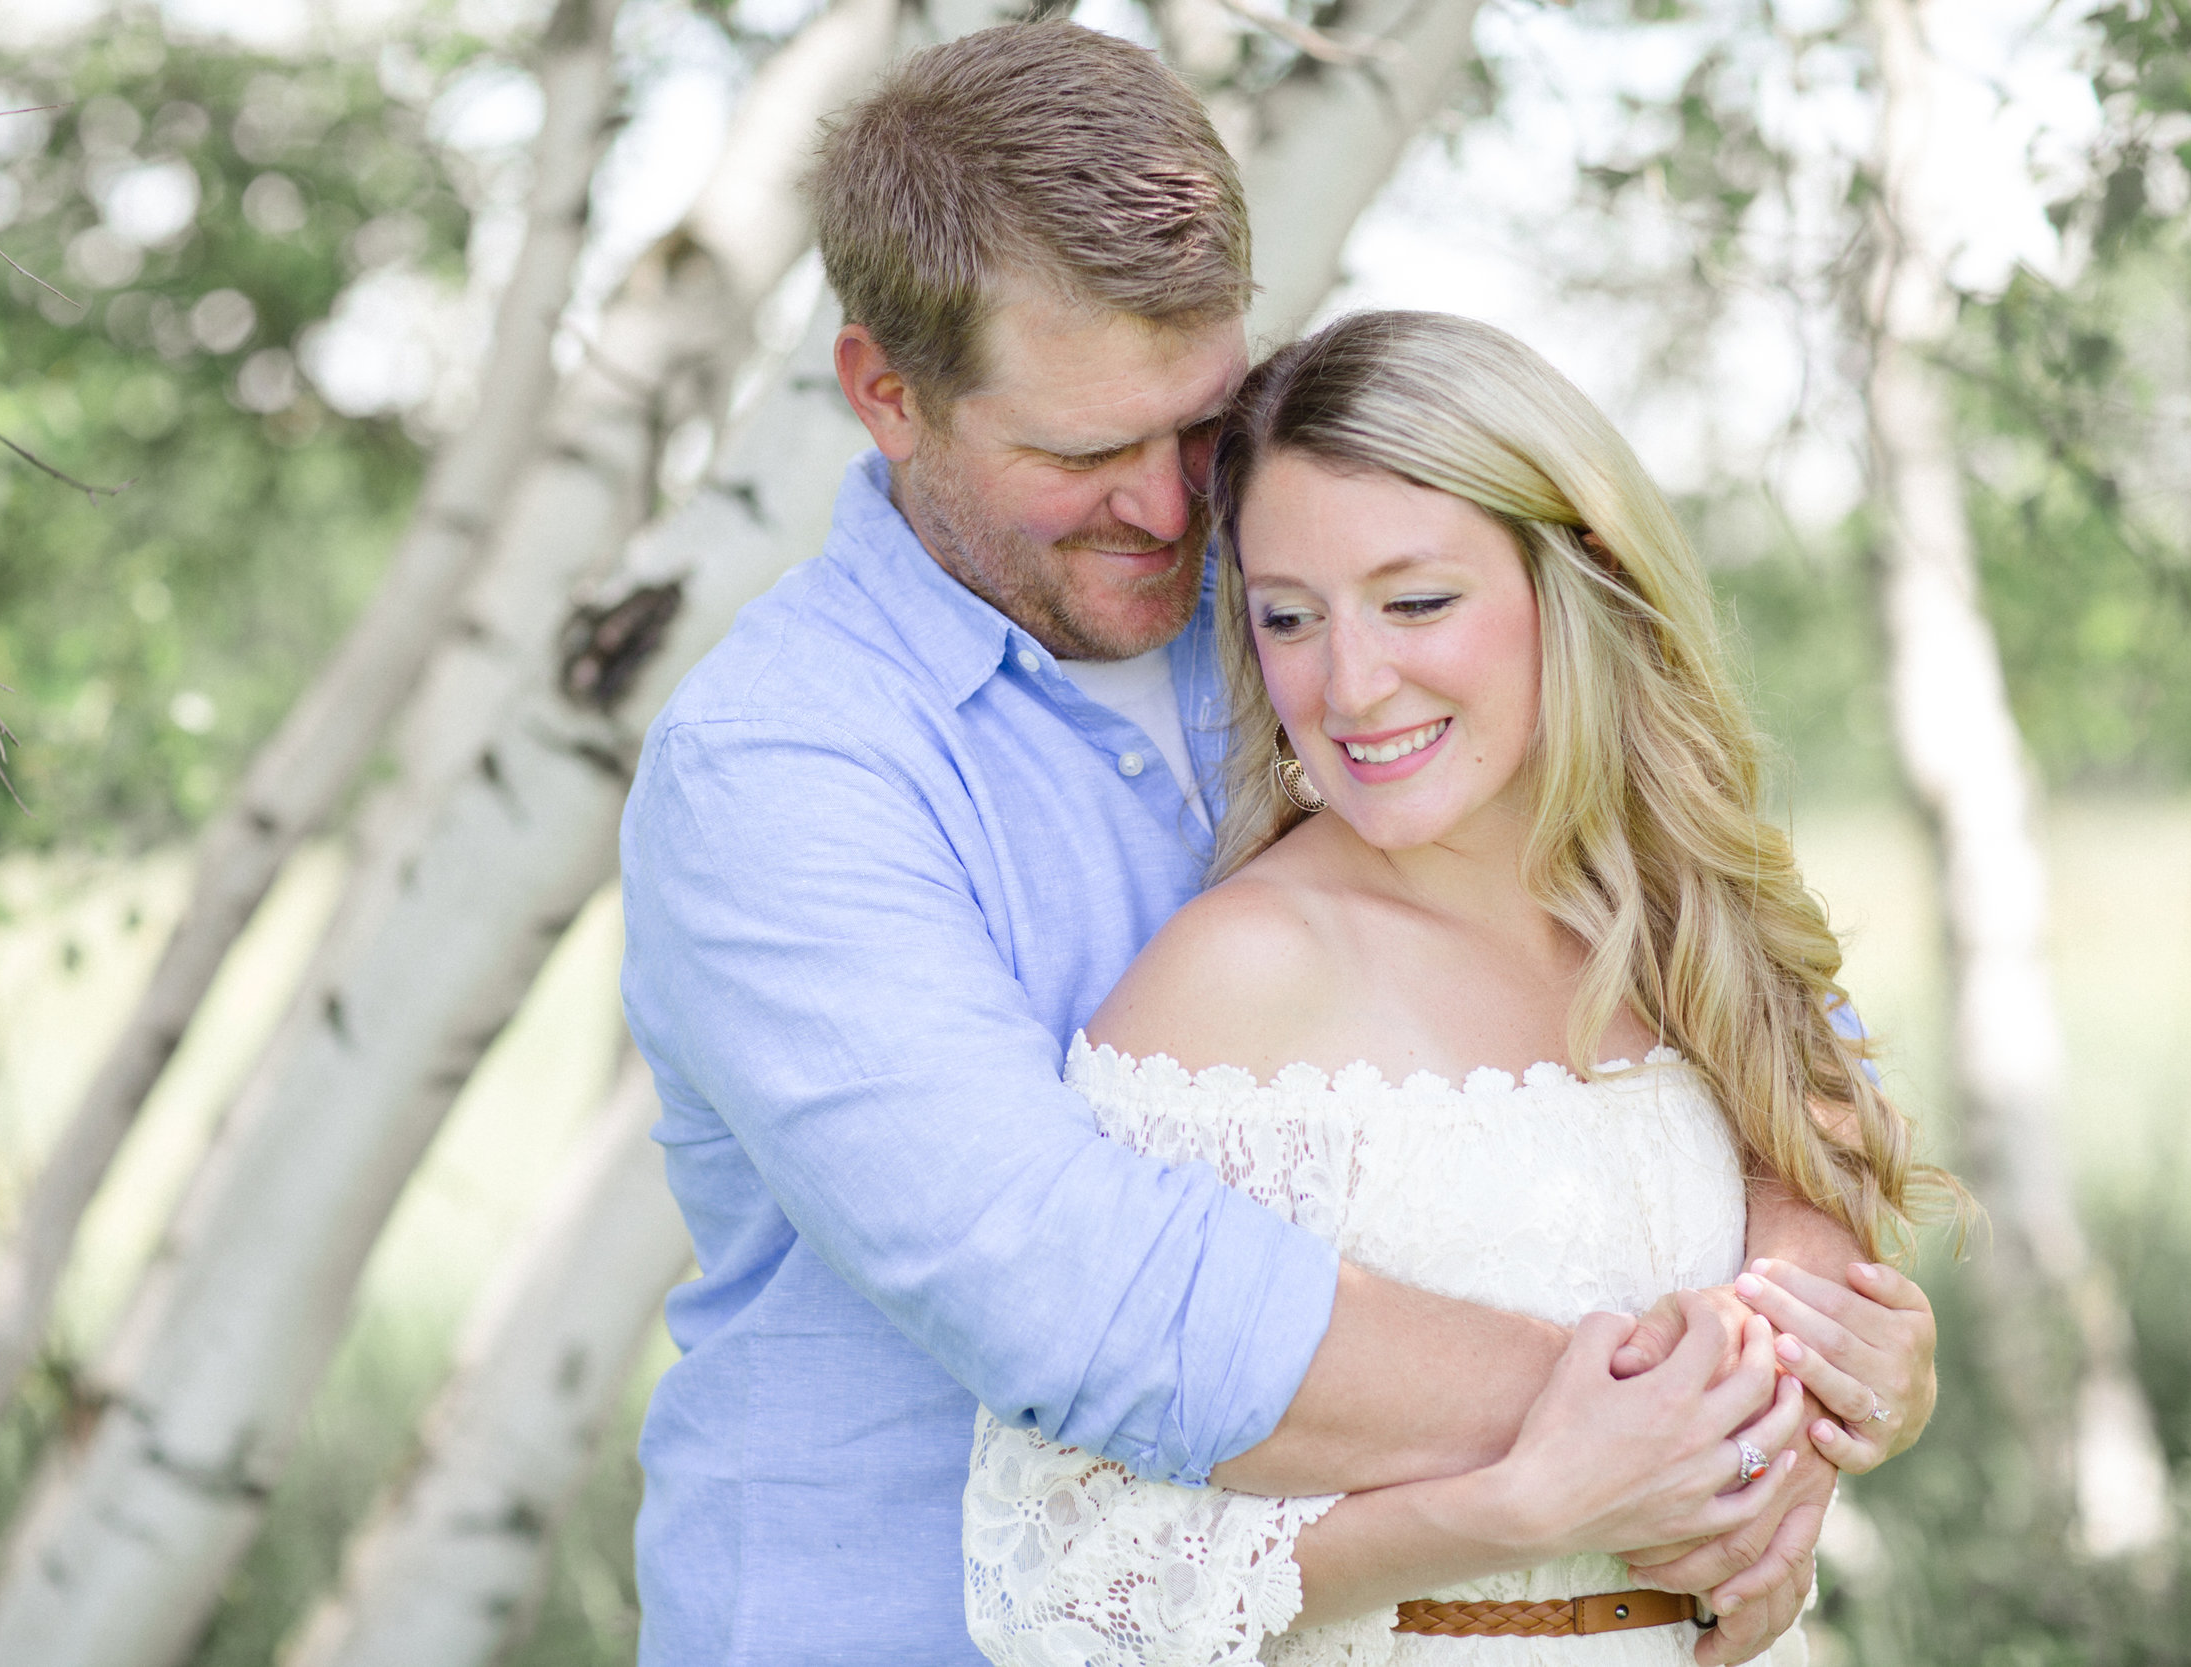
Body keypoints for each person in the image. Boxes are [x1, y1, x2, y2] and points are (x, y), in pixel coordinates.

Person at [618, 23, 1938, 1665]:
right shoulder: (780, 774)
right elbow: (1084, 1298)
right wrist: (1680, 1437)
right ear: (886, 391)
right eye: (1086, 454)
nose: (1177, 512)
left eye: (1200, 420)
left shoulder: (1321, 586)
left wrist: (1797, 1346)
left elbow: (1748, 1001)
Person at [961, 310, 1953, 1664]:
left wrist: (1844, 1392)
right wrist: (1512, 1511)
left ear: (1581, 578)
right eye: (1288, 619)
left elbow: (1809, 1193)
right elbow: (1060, 1576)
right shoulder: (1242, 984)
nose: (1353, 686)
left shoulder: (1683, 911)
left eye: (1417, 601)